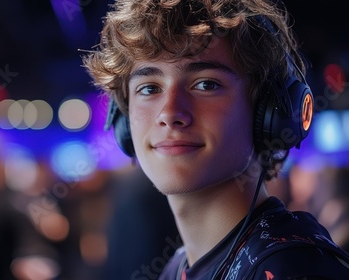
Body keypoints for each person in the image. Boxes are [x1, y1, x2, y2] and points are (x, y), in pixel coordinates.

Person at [82, 0, 349, 279]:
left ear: (268, 112)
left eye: (206, 84)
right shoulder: (178, 267)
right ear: (125, 119)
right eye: (149, 88)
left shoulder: (291, 268)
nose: (170, 113)